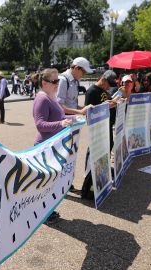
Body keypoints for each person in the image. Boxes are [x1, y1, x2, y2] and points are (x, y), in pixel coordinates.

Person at [33, 68, 91, 223]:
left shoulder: (51, 97)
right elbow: (40, 125)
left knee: (51, 182)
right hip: (44, 147)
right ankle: (44, 214)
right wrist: (62, 123)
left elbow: (60, 116)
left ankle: (48, 211)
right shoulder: (42, 99)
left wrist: (74, 117)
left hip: (53, 146)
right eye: (54, 81)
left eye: (58, 80)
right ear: (44, 83)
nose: (58, 84)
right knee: (46, 184)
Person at [81, 70, 118, 200]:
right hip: (98, 129)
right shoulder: (92, 91)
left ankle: (101, 178)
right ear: (103, 79)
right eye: (108, 84)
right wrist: (106, 105)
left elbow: (107, 103)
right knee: (96, 155)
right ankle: (90, 185)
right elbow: (89, 111)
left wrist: (114, 102)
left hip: (106, 125)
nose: (109, 87)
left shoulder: (103, 91)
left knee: (107, 148)